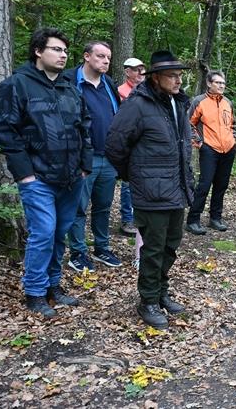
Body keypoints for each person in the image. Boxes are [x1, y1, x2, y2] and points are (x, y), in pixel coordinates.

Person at [0, 27, 91, 317]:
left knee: (60, 233)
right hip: (38, 178)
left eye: (64, 51)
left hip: (71, 178)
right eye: (56, 49)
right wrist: (25, 175)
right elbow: (6, 131)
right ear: (38, 51)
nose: (63, 55)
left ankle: (53, 286)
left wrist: (85, 166)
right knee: (43, 232)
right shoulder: (16, 85)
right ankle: (34, 292)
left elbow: (84, 127)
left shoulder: (69, 88)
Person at [105, 50, 194, 330]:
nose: (178, 80)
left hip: (176, 190)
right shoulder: (138, 104)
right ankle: (148, 301)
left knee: (170, 245)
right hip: (151, 192)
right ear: (156, 78)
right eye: (172, 76)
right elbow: (115, 144)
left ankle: (160, 292)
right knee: (153, 249)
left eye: (180, 75)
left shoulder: (177, 103)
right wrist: (134, 175)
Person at [65, 41, 123, 272]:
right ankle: (77, 253)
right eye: (100, 56)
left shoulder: (108, 84)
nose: (106, 61)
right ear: (86, 56)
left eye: (108, 57)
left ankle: (101, 248)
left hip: (108, 157)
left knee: (103, 206)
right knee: (78, 207)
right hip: (82, 159)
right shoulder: (69, 82)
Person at [185, 70, 236, 235]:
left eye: (223, 83)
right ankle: (193, 220)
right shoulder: (199, 101)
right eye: (218, 83)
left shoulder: (227, 102)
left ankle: (215, 218)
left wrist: (233, 138)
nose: (221, 86)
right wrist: (200, 143)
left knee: (221, 185)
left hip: (228, 149)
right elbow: (188, 124)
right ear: (209, 83)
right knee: (204, 184)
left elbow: (233, 124)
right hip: (209, 148)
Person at [117, 57, 146, 237]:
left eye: (142, 69)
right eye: (136, 70)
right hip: (128, 143)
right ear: (127, 71)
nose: (140, 73)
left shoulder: (147, 91)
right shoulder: (120, 91)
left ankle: (140, 216)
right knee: (127, 184)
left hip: (144, 144)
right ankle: (127, 219)